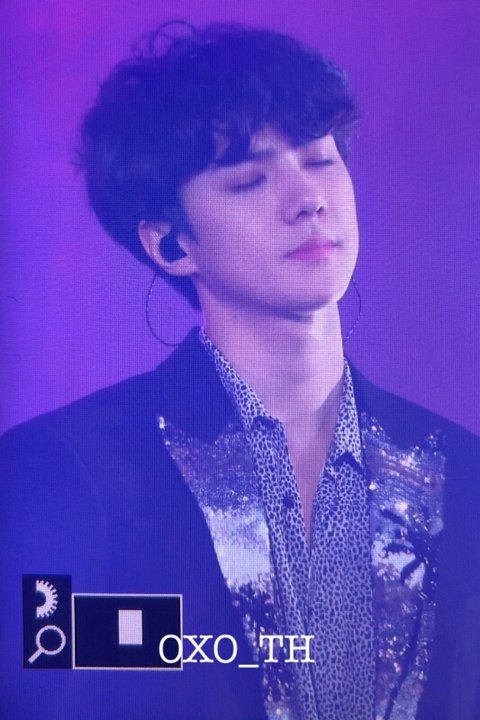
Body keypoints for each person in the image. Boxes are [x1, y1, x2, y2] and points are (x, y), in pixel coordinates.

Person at [1, 22, 479, 720]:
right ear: (170, 244)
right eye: (250, 180)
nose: (308, 199)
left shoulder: (464, 472)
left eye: (320, 160)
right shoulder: (60, 473)